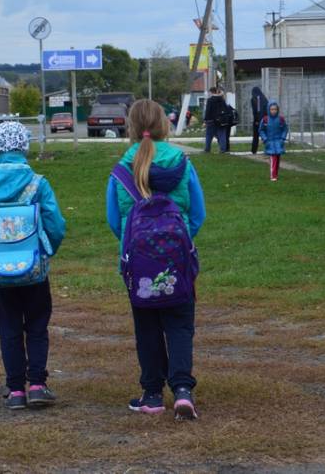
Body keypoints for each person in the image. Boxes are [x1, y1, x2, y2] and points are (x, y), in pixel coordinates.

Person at [106, 99, 206, 420]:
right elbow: (198, 214)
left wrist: (133, 244)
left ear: (131, 128)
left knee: (146, 325)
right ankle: (182, 390)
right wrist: (180, 241)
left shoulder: (122, 169)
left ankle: (151, 394)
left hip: (138, 264)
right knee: (179, 325)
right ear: (164, 125)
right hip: (178, 261)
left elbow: (112, 219)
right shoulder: (182, 163)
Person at [0, 122, 67, 410]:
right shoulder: (37, 183)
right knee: (36, 325)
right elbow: (56, 225)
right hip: (34, 270)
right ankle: (37, 384)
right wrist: (47, 252)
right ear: (24, 146)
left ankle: (15, 391)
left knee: (8, 328)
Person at [259, 101, 288, 181]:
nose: (273, 111)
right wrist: (265, 139)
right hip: (270, 142)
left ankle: (276, 174)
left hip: (278, 142)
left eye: (275, 109)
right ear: (269, 109)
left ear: (277, 109)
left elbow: (285, 129)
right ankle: (273, 176)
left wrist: (282, 138)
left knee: (278, 158)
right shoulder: (265, 119)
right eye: (272, 109)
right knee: (273, 158)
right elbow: (261, 130)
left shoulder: (281, 119)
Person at [203, 87, 229, 153]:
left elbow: (208, 111)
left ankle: (207, 149)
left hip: (211, 120)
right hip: (221, 121)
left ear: (211, 92)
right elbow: (226, 109)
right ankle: (223, 149)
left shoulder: (210, 100)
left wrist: (205, 120)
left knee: (209, 135)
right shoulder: (222, 100)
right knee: (222, 135)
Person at [249, 87, 268, 155]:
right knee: (265, 135)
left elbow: (255, 111)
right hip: (265, 120)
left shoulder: (253, 99)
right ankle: (268, 148)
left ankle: (254, 150)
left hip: (257, 120)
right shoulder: (264, 98)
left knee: (256, 136)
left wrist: (256, 120)